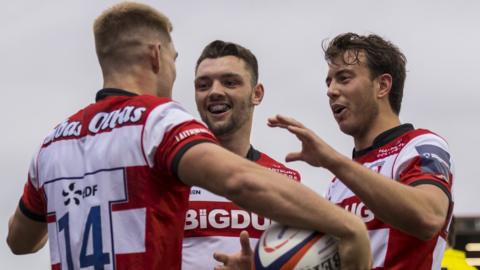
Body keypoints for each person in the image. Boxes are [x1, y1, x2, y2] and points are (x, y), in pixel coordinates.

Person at [6, 3, 372, 270]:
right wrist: (348, 226)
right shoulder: (157, 120)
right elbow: (239, 179)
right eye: (176, 59)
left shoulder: (53, 144)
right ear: (156, 56)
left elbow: (19, 241)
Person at [268, 33, 454, 269]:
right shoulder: (338, 184)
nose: (331, 90)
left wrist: (331, 160)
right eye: (329, 82)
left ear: (382, 85)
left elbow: (428, 217)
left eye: (344, 79)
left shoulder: (420, 145)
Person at [182, 40, 301, 270]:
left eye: (230, 82)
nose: (215, 91)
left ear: (257, 94)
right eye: (204, 85)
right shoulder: (172, 177)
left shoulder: (286, 179)